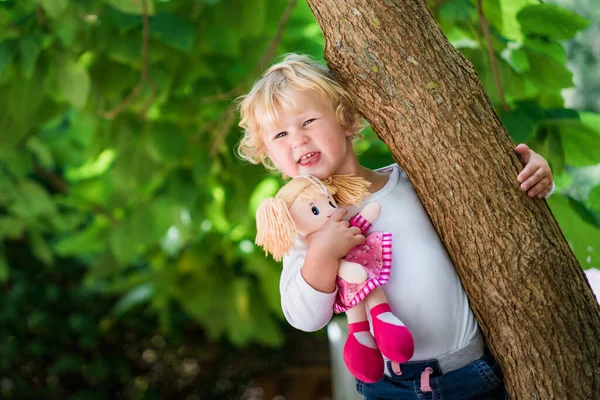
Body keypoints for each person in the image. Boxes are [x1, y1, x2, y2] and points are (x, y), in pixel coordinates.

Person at [236, 53, 554, 399]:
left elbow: (489, 204)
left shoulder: (409, 183)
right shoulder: (306, 231)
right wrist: (323, 253)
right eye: (280, 133)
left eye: (308, 121)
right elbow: (305, 317)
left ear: (344, 117)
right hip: (391, 387)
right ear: (269, 154)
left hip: (471, 373)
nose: (297, 140)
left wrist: (532, 171)